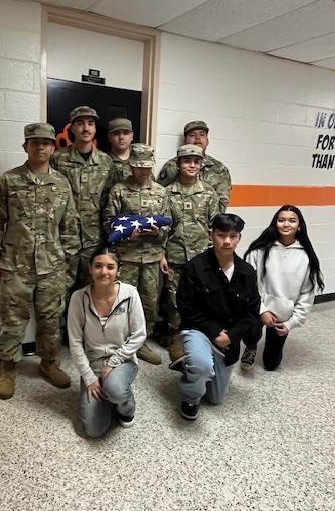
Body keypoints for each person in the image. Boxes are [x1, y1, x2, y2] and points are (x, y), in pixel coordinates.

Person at [0, 123, 80, 399]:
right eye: (34, 142)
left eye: (46, 143)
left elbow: (70, 225)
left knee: (51, 319)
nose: (40, 147)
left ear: (52, 148)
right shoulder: (9, 180)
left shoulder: (62, 184)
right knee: (12, 318)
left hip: (53, 266)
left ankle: (49, 364)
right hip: (15, 265)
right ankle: (8, 369)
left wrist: (69, 261)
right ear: (25, 146)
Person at [170, 213, 261, 420]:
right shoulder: (195, 266)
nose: (227, 241)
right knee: (201, 368)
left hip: (228, 340)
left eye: (233, 236)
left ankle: (191, 364)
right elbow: (186, 305)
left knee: (215, 398)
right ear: (211, 235)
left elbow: (252, 312)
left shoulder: (247, 272)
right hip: (199, 329)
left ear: (239, 238)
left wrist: (232, 335)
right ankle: (191, 395)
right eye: (221, 235)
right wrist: (213, 330)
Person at [68, 247, 146, 437]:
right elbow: (75, 343)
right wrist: (89, 378)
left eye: (110, 267)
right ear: (90, 269)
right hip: (93, 365)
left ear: (118, 271)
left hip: (122, 361)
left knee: (116, 389)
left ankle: (124, 405)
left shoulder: (130, 294)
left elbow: (139, 334)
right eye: (98, 266)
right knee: (94, 431)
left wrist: (113, 363)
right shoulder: (79, 298)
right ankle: (108, 392)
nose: (104, 272)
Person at [103, 143, 169, 365]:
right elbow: (107, 222)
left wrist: (159, 232)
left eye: (147, 167)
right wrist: (124, 235)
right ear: (131, 166)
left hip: (151, 258)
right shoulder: (118, 190)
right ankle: (118, 343)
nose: (143, 171)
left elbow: (170, 224)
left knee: (149, 301)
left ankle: (141, 342)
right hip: (126, 257)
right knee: (121, 301)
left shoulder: (161, 192)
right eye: (139, 167)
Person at [241, 205, 324, 371]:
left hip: (283, 315)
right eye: (281, 220)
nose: (286, 224)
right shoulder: (259, 250)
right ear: (275, 224)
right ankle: (251, 345)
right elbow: (249, 285)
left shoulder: (306, 257)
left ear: (299, 226)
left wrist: (291, 323)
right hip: (257, 307)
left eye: (292, 221)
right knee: (250, 332)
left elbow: (307, 295)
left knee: (271, 364)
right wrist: (262, 311)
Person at [160, 145, 219, 359]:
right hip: (175, 255)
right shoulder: (167, 193)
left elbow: (215, 227)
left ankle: (198, 335)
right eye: (187, 161)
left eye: (196, 161)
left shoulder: (208, 193)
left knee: (202, 297)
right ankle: (175, 336)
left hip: (202, 256)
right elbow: (163, 227)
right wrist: (162, 254)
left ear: (201, 164)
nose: (191, 165)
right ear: (178, 164)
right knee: (174, 298)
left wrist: (215, 255)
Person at [51, 105, 116, 288]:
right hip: (63, 237)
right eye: (80, 123)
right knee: (61, 291)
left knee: (91, 289)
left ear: (95, 128)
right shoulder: (58, 159)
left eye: (90, 124)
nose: (86, 128)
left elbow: (108, 200)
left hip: (93, 239)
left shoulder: (105, 161)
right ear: (71, 128)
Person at [158, 120, 231, 212]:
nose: (198, 138)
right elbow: (160, 196)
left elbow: (222, 201)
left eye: (202, 134)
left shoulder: (219, 169)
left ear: (207, 141)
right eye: (192, 135)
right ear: (185, 141)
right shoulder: (171, 166)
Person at [107, 117, 134, 182]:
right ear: (109, 137)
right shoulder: (103, 161)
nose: (121, 137)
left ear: (132, 136)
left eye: (126, 133)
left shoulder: (140, 161)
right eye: (116, 133)